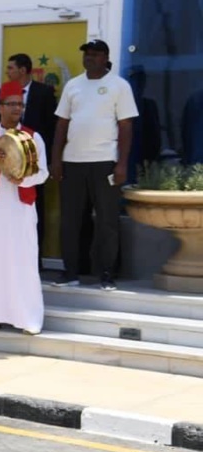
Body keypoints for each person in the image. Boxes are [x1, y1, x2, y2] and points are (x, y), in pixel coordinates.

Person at [51, 40, 139, 291]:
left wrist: (122, 163)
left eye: (95, 54)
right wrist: (56, 159)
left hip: (104, 162)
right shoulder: (73, 85)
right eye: (87, 54)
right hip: (73, 163)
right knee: (70, 221)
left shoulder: (119, 86)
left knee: (107, 221)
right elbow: (61, 125)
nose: (90, 58)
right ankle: (70, 272)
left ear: (105, 57)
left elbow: (126, 126)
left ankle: (107, 274)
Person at [0, 81, 49, 334]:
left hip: (19, 207)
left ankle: (27, 319)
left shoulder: (33, 137)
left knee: (21, 260)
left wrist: (22, 179)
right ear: (0, 107)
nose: (17, 109)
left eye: (19, 104)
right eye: (11, 104)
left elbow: (44, 173)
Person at [6, 53, 57, 267]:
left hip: (36, 160)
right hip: (9, 162)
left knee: (35, 207)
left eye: (11, 68)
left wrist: (51, 160)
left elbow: (52, 128)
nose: (8, 72)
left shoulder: (44, 92)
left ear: (23, 70)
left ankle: (34, 259)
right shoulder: (7, 93)